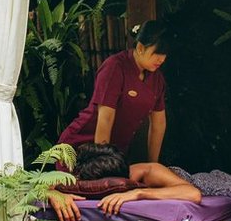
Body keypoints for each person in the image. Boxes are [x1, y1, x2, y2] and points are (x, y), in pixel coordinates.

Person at [58, 19, 173, 163]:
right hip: (79, 148)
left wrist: (153, 164)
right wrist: (102, 163)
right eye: (157, 53)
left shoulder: (157, 79)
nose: (162, 59)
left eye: (165, 54)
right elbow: (105, 118)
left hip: (116, 154)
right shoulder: (115, 67)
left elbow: (159, 124)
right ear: (140, 48)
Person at [46, 150, 202, 221]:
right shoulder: (82, 175)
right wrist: (54, 195)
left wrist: (139, 193)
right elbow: (37, 186)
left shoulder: (148, 171)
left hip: (199, 179)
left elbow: (192, 193)